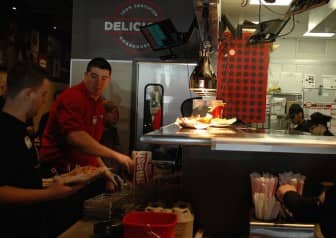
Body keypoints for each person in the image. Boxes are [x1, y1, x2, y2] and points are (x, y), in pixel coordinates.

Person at [0, 62, 83, 237]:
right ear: (28, 94)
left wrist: (49, 183)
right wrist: (50, 195)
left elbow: (18, 176)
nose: (44, 101)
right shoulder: (4, 130)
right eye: (43, 95)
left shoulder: (20, 128)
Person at [39, 57, 133, 190]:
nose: (98, 83)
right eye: (94, 76)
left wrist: (105, 171)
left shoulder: (99, 104)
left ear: (109, 80)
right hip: (57, 170)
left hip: (80, 172)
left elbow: (92, 146)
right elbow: (76, 138)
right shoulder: (72, 97)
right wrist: (116, 155)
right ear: (85, 75)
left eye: (104, 78)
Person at [100, 99, 122, 174]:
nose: (116, 116)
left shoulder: (112, 130)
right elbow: (106, 158)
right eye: (113, 113)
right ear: (104, 113)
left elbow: (117, 150)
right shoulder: (102, 132)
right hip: (105, 172)